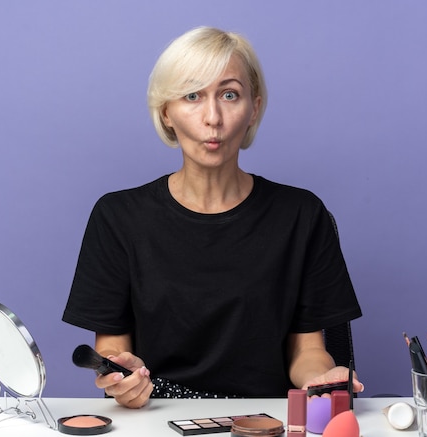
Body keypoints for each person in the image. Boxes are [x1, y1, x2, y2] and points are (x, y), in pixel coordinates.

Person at [62, 26, 362, 409]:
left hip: (265, 419)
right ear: (166, 112)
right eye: (192, 96)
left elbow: (308, 350)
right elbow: (112, 347)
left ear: (253, 108)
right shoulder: (118, 217)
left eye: (229, 94)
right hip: (157, 416)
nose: (213, 117)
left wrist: (320, 378)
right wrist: (124, 376)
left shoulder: (302, 215)